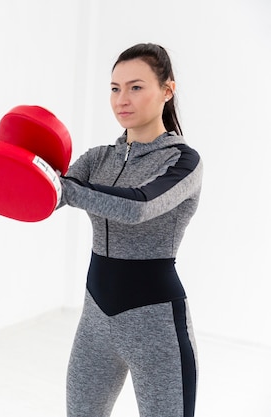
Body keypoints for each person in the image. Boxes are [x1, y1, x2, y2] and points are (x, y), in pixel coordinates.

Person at [58, 43, 202, 417]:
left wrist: (65, 188)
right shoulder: (97, 158)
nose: (122, 99)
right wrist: (22, 165)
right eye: (115, 88)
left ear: (167, 90)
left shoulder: (183, 160)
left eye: (136, 87)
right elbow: (50, 198)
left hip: (156, 329)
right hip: (95, 321)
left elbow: (138, 206)